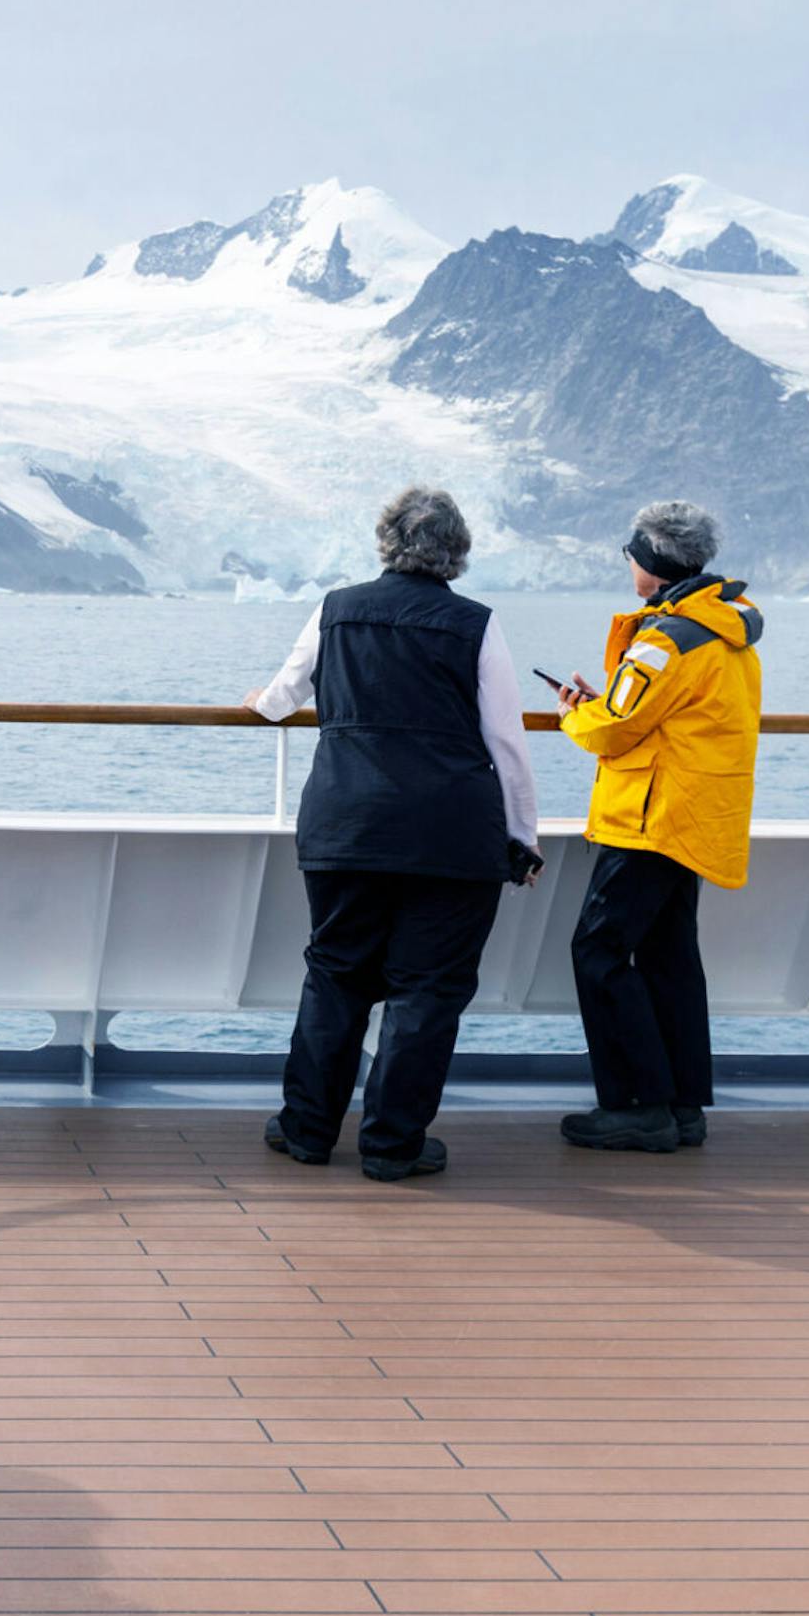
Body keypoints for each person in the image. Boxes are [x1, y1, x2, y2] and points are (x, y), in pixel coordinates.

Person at [245, 486, 542, 1182]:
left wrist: (259, 706)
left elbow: (282, 698)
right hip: (450, 834)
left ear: (386, 543)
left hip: (347, 823)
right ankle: (392, 1145)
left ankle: (307, 1130)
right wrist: (521, 834)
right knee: (427, 989)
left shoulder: (337, 609)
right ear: (456, 553)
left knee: (337, 974)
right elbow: (505, 740)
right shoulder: (475, 625)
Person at [553, 501, 763, 1153]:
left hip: (649, 816)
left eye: (632, 552)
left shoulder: (668, 637)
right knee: (670, 956)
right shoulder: (725, 633)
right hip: (694, 813)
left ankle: (639, 1106)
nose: (628, 562)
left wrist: (573, 715)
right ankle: (681, 1105)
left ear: (653, 563)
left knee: (599, 950)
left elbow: (618, 727)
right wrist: (612, 700)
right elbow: (670, 713)